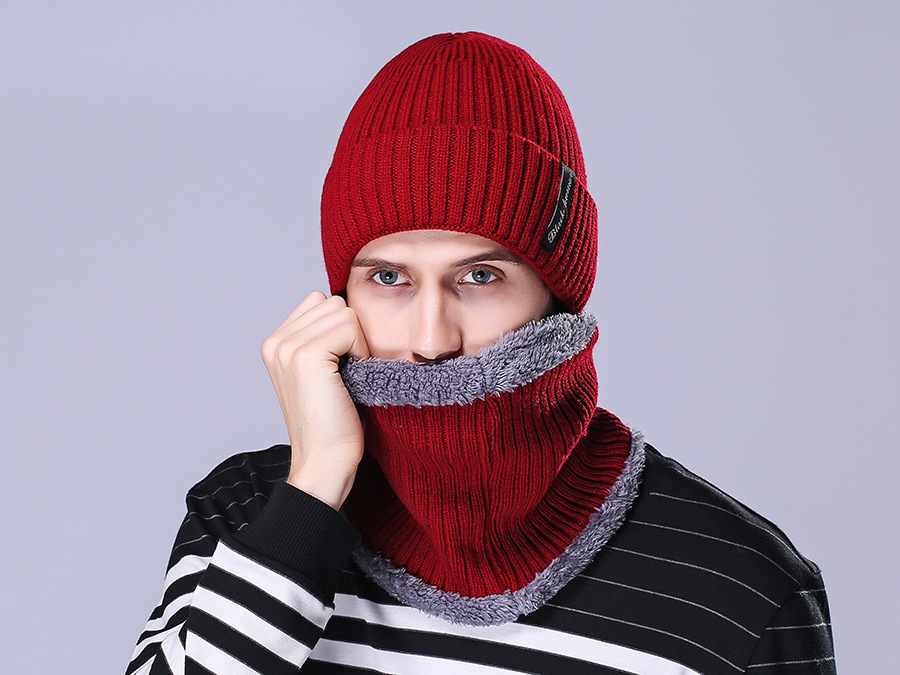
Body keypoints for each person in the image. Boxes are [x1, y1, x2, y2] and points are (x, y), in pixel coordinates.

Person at [127, 32, 835, 674]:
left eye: (481, 277)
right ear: (339, 300)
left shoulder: (746, 591)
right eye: (388, 278)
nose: (431, 340)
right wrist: (313, 488)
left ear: (557, 295)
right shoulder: (249, 517)